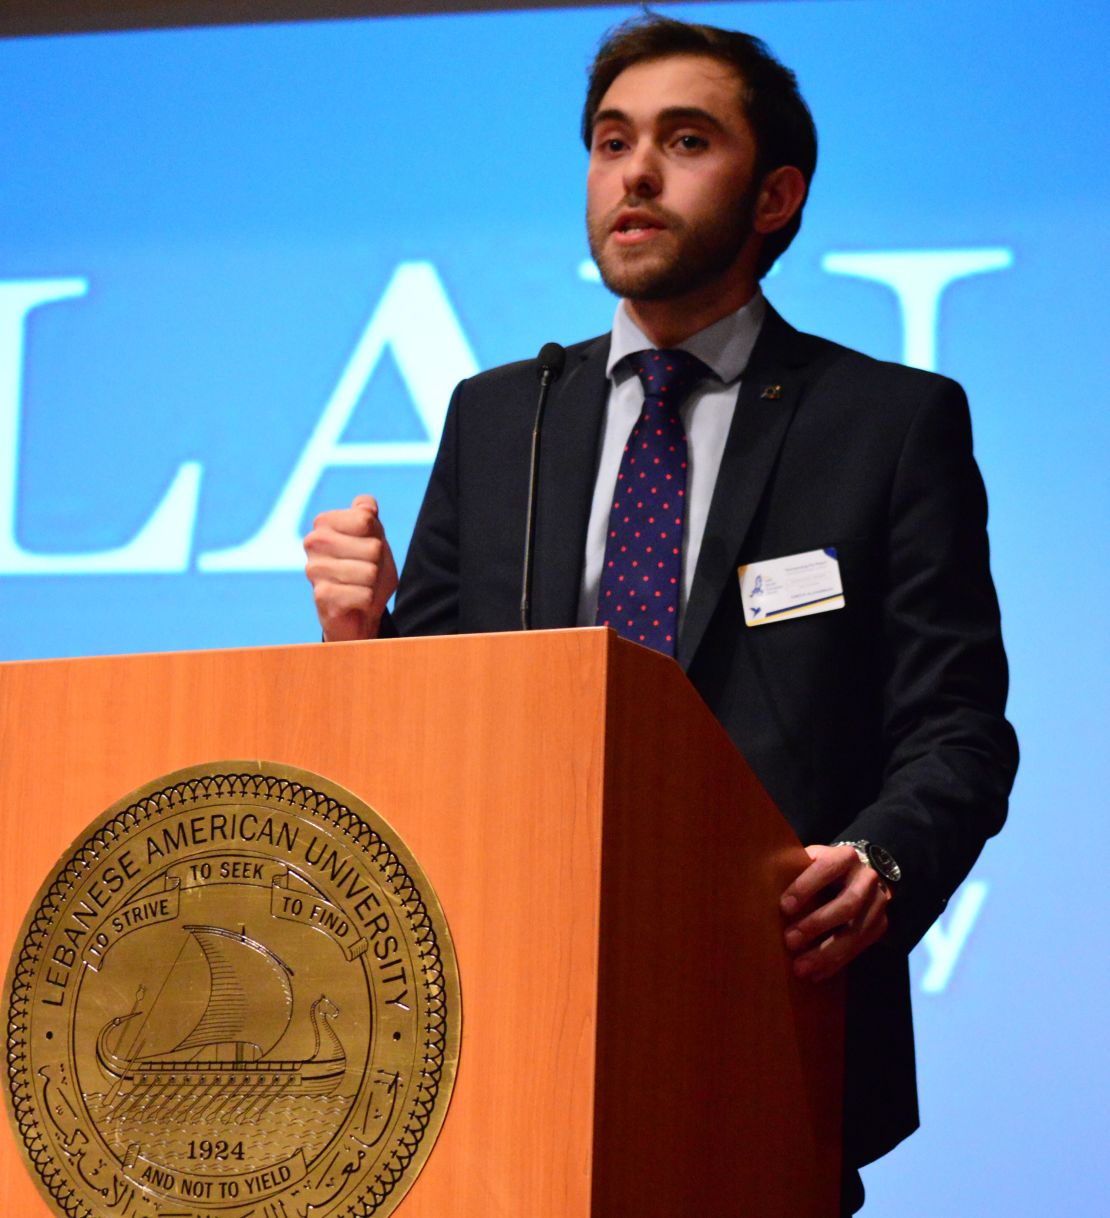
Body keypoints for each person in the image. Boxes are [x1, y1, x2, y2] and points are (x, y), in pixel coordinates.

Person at [303, 14, 1018, 1213]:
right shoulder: (501, 420)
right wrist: (357, 648)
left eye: (685, 141)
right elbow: (425, 724)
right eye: (609, 141)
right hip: (501, 1023)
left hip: (766, 1021)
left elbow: (958, 729)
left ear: (776, 193)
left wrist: (884, 862)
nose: (634, 173)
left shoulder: (889, 424)